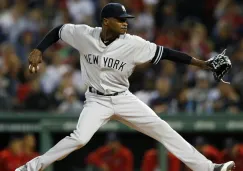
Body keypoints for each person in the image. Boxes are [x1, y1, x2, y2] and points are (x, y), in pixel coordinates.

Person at [16, 3, 234, 171]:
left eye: (126, 19)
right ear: (105, 22)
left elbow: (167, 53)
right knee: (80, 138)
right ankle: (31, 167)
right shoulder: (84, 34)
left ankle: (207, 167)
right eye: (120, 19)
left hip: (123, 98)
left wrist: (202, 64)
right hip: (96, 100)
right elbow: (58, 30)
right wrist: (39, 49)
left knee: (163, 130)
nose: (125, 23)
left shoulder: (133, 43)